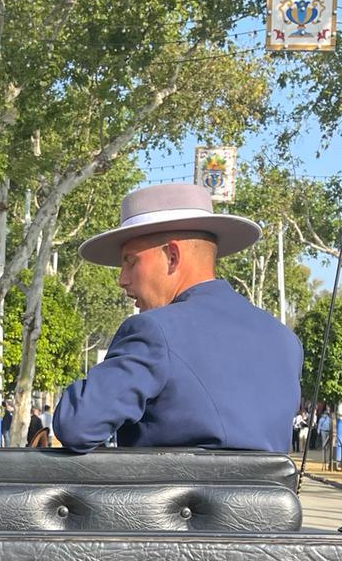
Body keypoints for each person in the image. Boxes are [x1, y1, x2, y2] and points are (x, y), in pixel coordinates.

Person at [54, 183, 303, 454]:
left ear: (172, 256)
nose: (121, 280)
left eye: (131, 261)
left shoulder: (153, 331)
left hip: (172, 497)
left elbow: (76, 424)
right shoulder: (286, 340)